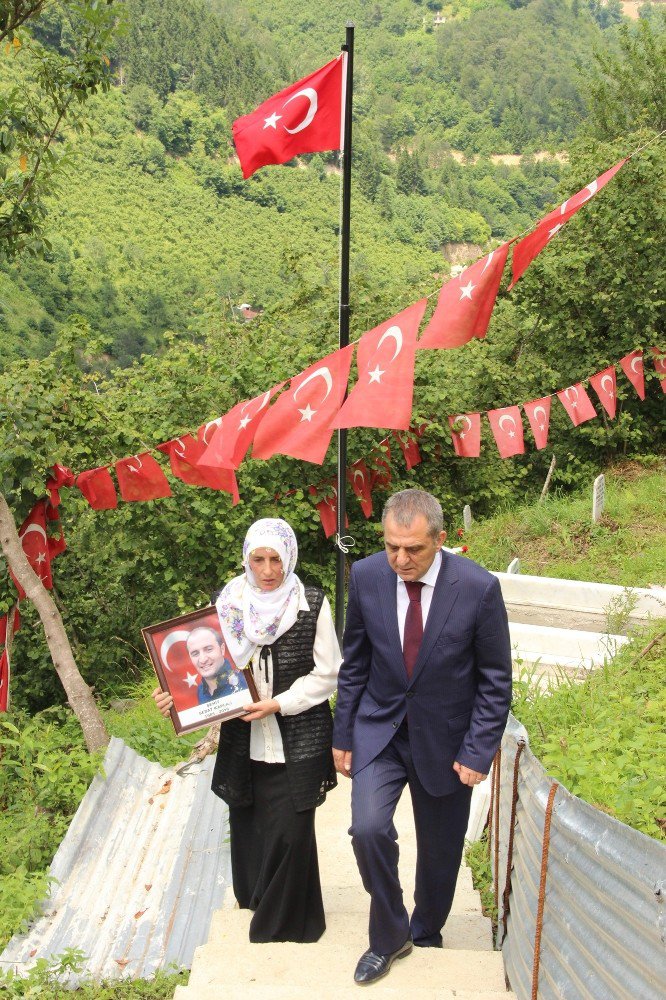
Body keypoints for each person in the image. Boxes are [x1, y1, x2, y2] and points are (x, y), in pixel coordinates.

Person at [332, 489, 512, 985]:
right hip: (380, 731)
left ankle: (426, 931)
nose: (400, 559)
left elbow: (496, 680)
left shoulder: (477, 588)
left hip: (449, 742)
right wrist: (342, 733)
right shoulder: (367, 576)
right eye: (391, 546)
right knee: (367, 830)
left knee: (440, 851)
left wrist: (479, 750)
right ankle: (388, 934)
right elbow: (356, 663)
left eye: (413, 549)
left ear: (440, 539)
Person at [153, 517, 340, 943]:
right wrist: (174, 700)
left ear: (289, 557)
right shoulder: (228, 605)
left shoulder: (310, 602)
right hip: (244, 742)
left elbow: (329, 675)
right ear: (247, 559)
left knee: (293, 831)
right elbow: (207, 673)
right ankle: (260, 901)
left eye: (277, 559)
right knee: (252, 825)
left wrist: (278, 703)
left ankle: (283, 923)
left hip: (298, 737)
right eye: (259, 559)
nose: (269, 570)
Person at [185, 626, 241, 704]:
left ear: (222, 649)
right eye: (195, 654)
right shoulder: (201, 691)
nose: (202, 660)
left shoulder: (244, 681)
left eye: (209, 649)